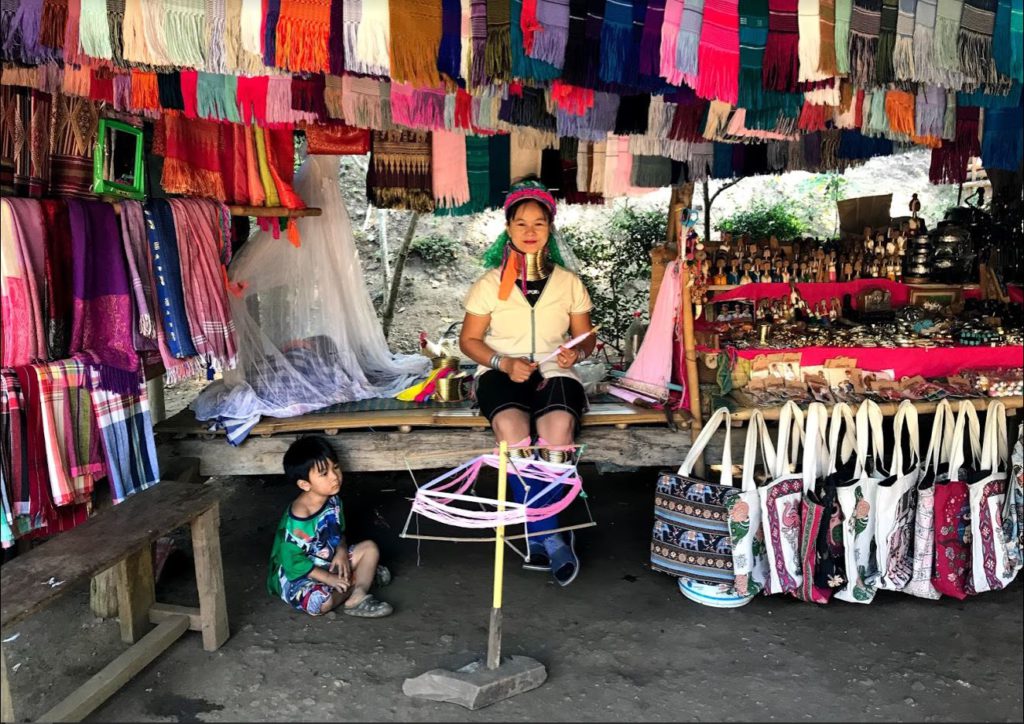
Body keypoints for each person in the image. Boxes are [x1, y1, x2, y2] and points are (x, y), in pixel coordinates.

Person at [459, 179, 595, 587]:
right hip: (501, 371)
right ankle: (551, 536)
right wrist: (502, 361)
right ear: (508, 229)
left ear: (550, 228)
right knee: (514, 436)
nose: (530, 231)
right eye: (522, 223)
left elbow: (586, 337)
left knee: (556, 435)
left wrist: (579, 353)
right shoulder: (488, 283)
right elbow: (469, 341)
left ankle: (540, 533)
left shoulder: (568, 281)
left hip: (554, 369)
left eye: (539, 223)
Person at [267, 435, 393, 617]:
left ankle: (357, 595)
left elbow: (338, 533)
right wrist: (328, 579)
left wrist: (341, 551)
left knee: (370, 549)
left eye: (336, 467)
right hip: (301, 574)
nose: (335, 477)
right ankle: (361, 579)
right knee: (321, 605)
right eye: (324, 473)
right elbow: (293, 562)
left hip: (329, 560)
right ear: (304, 484)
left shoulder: (333, 500)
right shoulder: (300, 517)